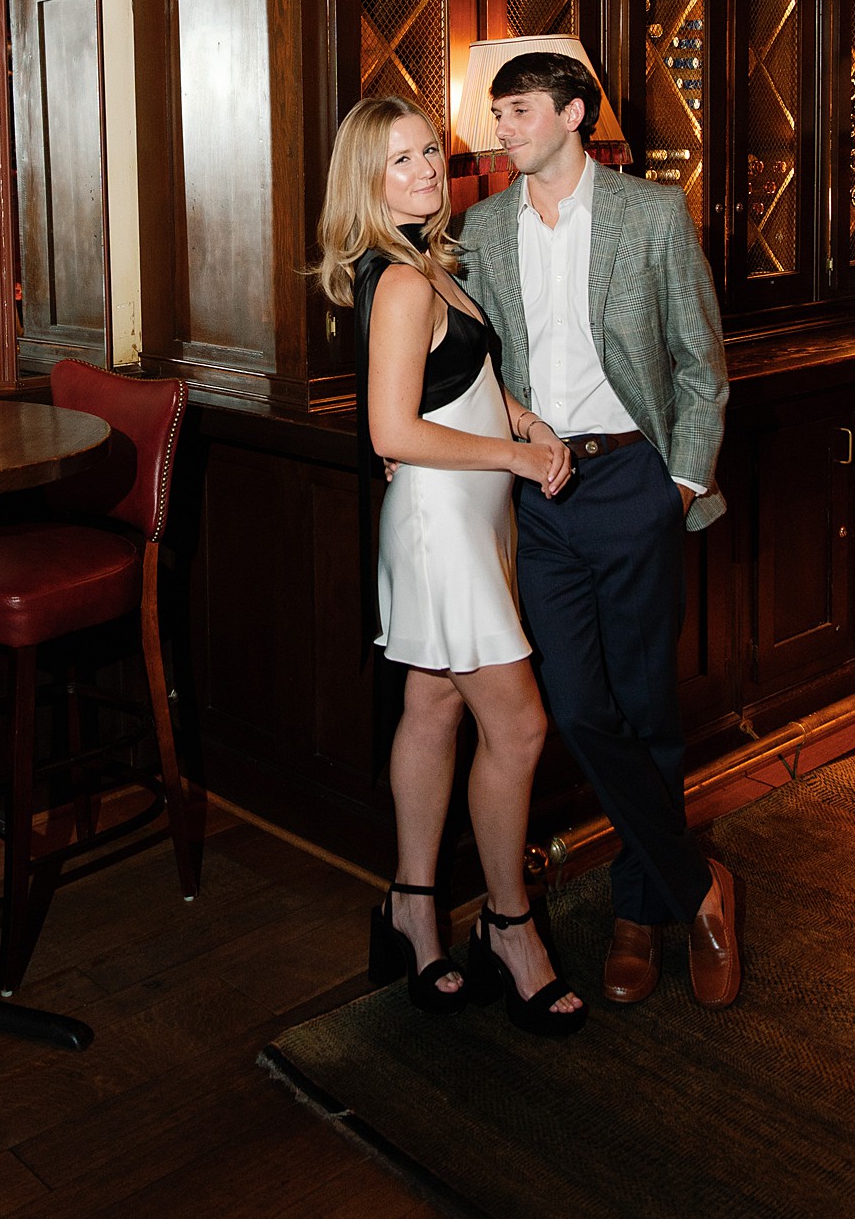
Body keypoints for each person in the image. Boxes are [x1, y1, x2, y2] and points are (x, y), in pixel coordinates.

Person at [457, 50, 739, 1008]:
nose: (504, 128)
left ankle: (638, 911)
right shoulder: (480, 228)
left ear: (575, 113)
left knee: (647, 705)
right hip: (539, 492)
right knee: (578, 709)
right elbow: (481, 370)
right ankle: (698, 887)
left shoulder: (650, 214)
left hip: (632, 479)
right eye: (498, 113)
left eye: (522, 110)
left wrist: (681, 479)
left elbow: (701, 361)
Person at [316, 95, 586, 1035]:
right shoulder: (399, 279)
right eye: (402, 160)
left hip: (471, 521)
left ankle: (413, 908)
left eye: (431, 150)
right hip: (441, 526)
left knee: (431, 706)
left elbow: (456, 384)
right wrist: (513, 456)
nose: (429, 169)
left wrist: (520, 420)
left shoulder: (426, 260)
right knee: (517, 731)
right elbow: (392, 429)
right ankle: (509, 928)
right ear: (366, 180)